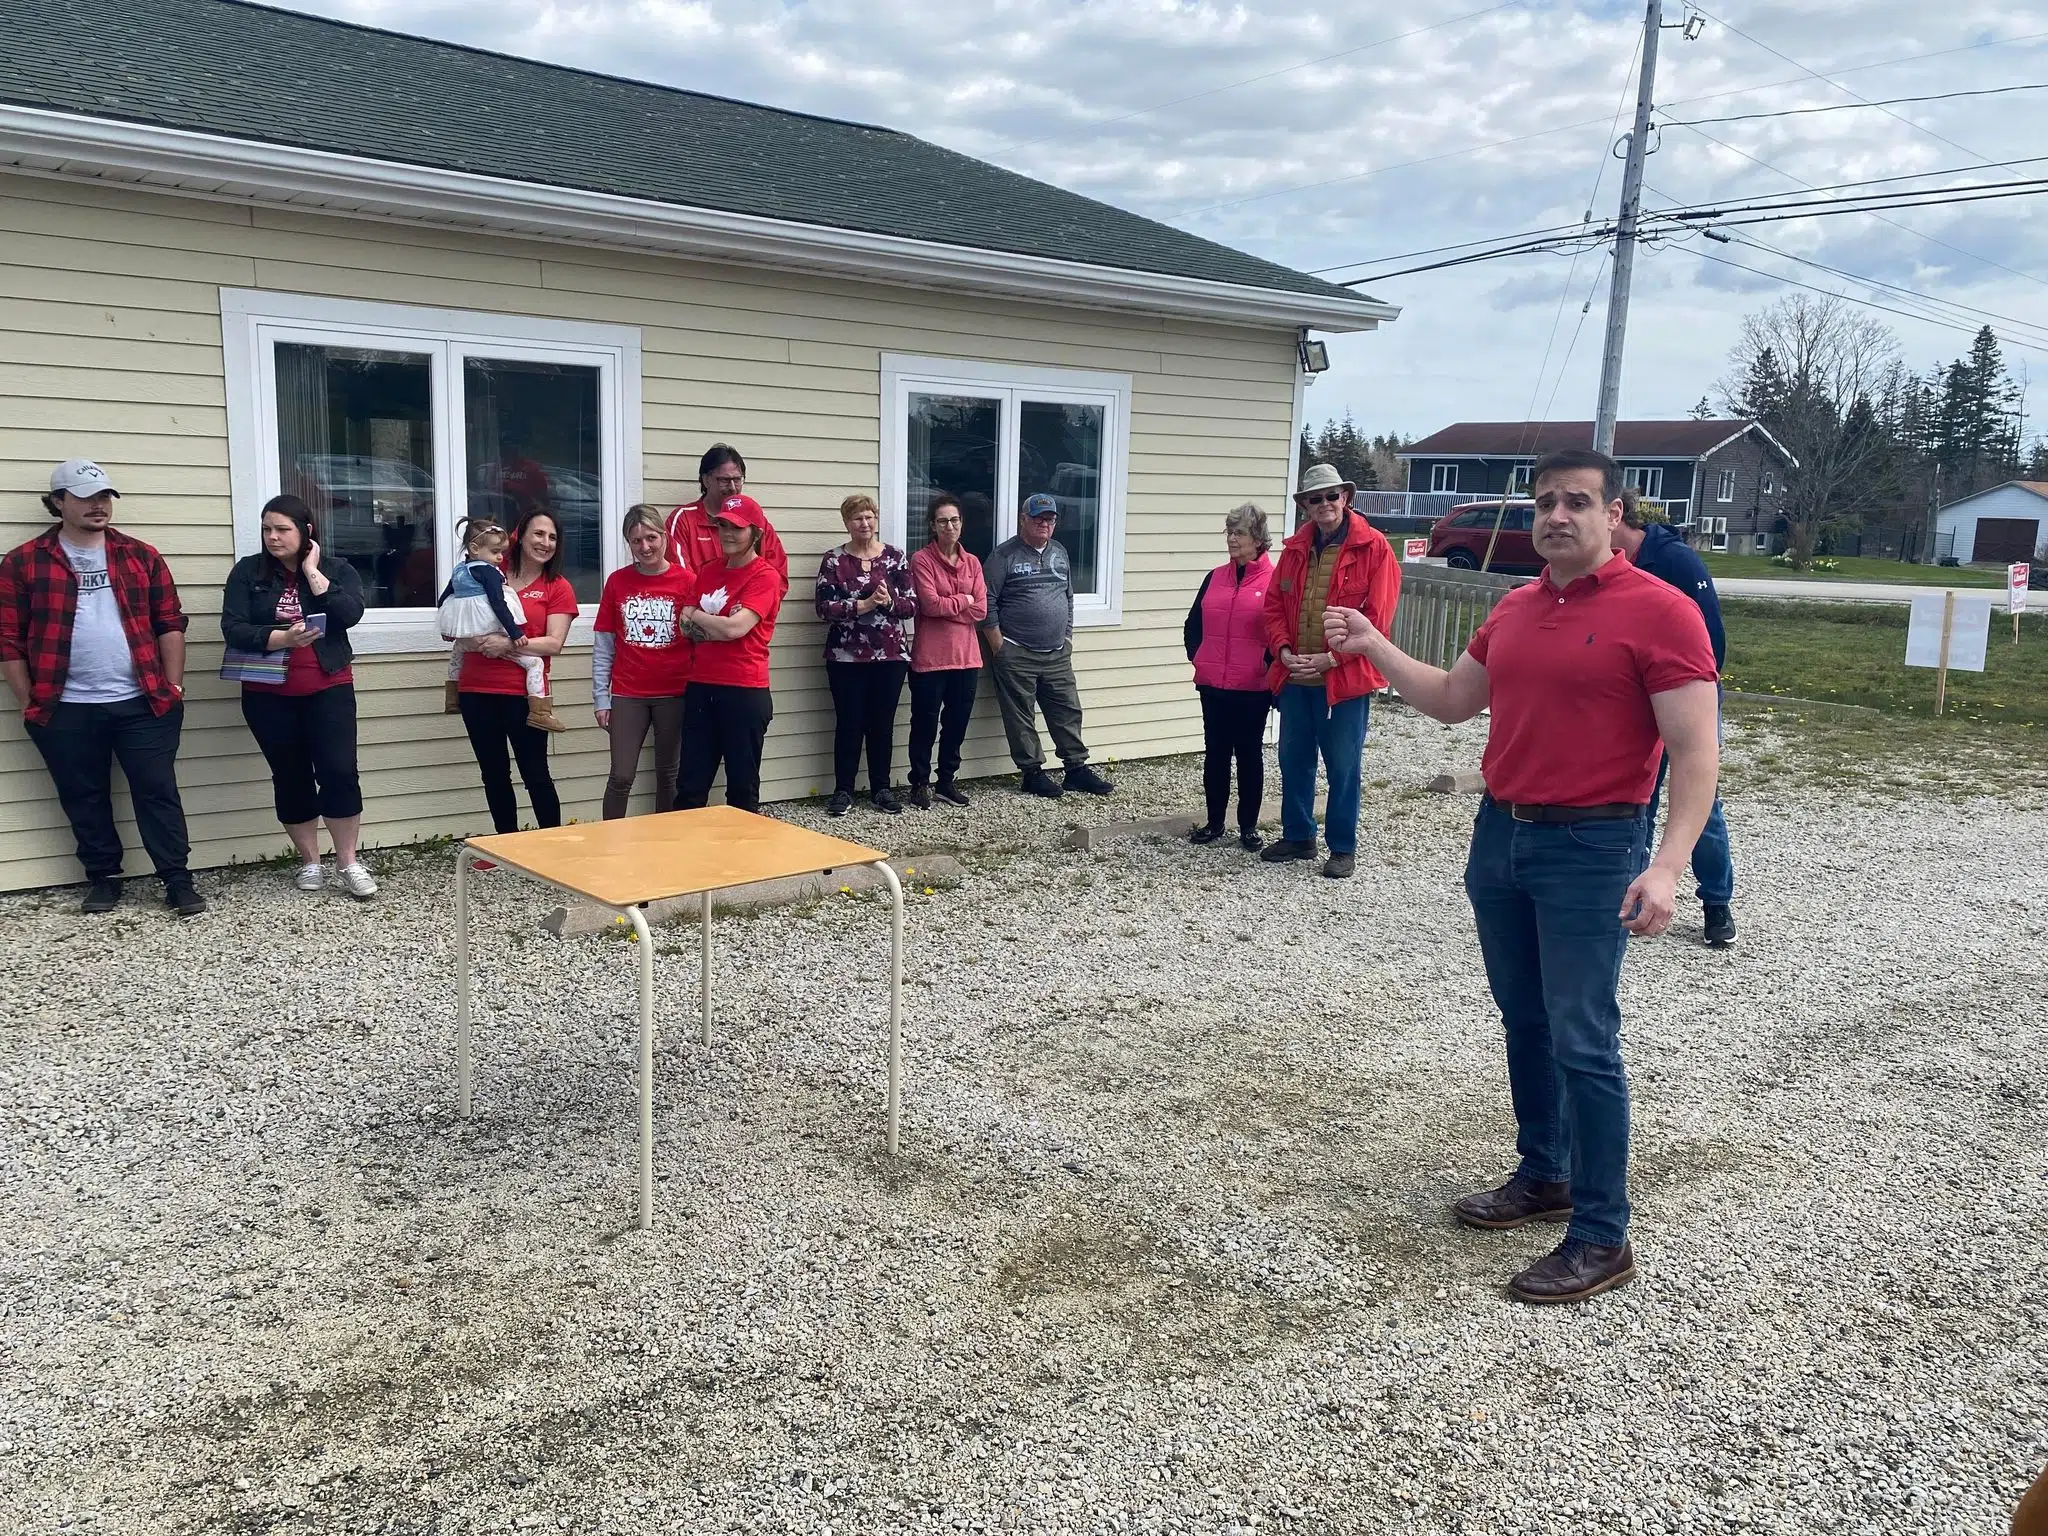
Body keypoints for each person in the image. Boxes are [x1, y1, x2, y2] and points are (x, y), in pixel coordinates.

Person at [1322, 447, 1721, 1305]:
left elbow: (1696, 754)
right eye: (1545, 501)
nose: (1556, 516)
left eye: (1578, 501)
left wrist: (1667, 865)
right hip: (1501, 836)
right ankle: (1546, 1174)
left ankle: (1603, 1235)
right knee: (1525, 1020)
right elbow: (1450, 700)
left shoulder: (1663, 612)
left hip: (1594, 845)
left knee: (1585, 1038)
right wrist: (1372, 642)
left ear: (1616, 515)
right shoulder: (1516, 608)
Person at [0, 460, 202, 915]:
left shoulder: (140, 555)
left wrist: (173, 685)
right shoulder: (23, 562)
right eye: (86, 497)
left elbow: (170, 622)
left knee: (156, 790)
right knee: (82, 793)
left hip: (144, 700)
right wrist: (27, 700)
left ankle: (176, 879)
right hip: (63, 705)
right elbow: (8, 638)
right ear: (58, 502)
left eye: (105, 496)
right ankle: (103, 877)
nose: (99, 506)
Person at [220, 494, 377, 899]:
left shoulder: (336, 569)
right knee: (289, 774)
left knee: (339, 771)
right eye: (267, 529)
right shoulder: (247, 572)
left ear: (306, 531)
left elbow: (350, 614)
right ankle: (310, 861)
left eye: (282, 529)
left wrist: (311, 572)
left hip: (329, 686)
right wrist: (281, 638)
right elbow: (233, 627)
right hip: (267, 692)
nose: (272, 537)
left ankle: (347, 861)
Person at [1258, 463, 1401, 879]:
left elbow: (1378, 621)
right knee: (1293, 760)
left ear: (1347, 498)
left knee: (1343, 766)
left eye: (1331, 496)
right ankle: (1299, 835)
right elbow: (1273, 608)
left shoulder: (1375, 549)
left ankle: (1342, 847)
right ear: (1305, 505)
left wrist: (1332, 659)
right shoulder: (1294, 550)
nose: (1324, 505)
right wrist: (1283, 650)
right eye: (1315, 498)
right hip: (1296, 678)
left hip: (1343, 681)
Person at [1615, 489, 1737, 948]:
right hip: (1630, 701)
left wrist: (1691, 698)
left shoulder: (1675, 561)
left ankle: (1716, 903)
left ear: (1617, 515)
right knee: (1633, 799)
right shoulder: (1598, 569)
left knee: (1698, 804)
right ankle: (1632, 896)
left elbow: (1714, 641)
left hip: (1685, 695)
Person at [979, 493, 1112, 799]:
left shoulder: (1060, 552)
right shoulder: (1003, 556)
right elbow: (986, 601)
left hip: (1056, 652)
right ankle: (1032, 773)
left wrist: (1066, 635)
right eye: (1037, 518)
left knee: (1067, 710)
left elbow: (1068, 596)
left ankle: (1076, 769)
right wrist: (999, 645)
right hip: (1016, 652)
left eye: (1049, 519)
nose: (1043, 524)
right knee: (1020, 715)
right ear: (1022, 519)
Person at [457, 507, 580, 835]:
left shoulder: (558, 586)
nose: (546, 542)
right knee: (493, 773)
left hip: (524, 695)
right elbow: (455, 617)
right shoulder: (485, 571)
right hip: (475, 689)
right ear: (520, 536)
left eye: (553, 537)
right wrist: (474, 638)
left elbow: (554, 643)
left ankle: (551, 846)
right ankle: (506, 845)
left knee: (535, 773)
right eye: (538, 534)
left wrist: (506, 645)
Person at [675, 494, 783, 813]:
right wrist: (716, 623)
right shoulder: (708, 571)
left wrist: (701, 619)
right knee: (690, 786)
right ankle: (688, 857)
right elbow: (684, 624)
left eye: (736, 528)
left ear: (755, 533)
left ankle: (744, 861)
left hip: (744, 690)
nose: (727, 534)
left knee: (741, 787)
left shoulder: (764, 576)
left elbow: (736, 629)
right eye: (722, 526)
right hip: (701, 686)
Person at [815, 493, 916, 816]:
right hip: (846, 657)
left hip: (889, 657)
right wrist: (863, 605)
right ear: (847, 523)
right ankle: (843, 790)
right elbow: (823, 607)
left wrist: (887, 602)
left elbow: (911, 606)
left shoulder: (895, 558)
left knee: (881, 724)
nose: (865, 523)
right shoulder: (834, 560)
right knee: (849, 723)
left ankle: (881, 788)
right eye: (857, 518)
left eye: (869, 516)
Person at [1183, 503, 1276, 851]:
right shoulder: (1214, 577)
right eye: (1230, 532)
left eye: (1239, 533)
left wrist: (1266, 665)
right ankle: (1215, 822)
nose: (1232, 540)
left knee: (1249, 754)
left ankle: (1249, 827)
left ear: (1257, 539)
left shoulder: (1273, 580)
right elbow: (1193, 626)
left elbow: (1279, 633)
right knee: (1216, 754)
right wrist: (1199, 658)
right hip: (1214, 685)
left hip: (1253, 687)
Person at [592, 504, 693, 818]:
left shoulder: (687, 580)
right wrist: (600, 697)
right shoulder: (618, 582)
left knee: (669, 776)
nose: (645, 547)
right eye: (636, 541)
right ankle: (610, 845)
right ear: (628, 542)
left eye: (651, 537)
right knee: (621, 776)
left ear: (663, 536)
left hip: (675, 692)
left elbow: (698, 639)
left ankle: (666, 848)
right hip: (628, 694)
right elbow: (604, 644)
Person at [437, 518, 564, 733]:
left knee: (457, 652)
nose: (499, 557)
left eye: (552, 537)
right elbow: (499, 604)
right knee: (534, 664)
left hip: (507, 684)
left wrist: (449, 626)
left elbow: (444, 599)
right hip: (479, 682)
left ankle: (452, 696)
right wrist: (514, 634)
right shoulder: (491, 572)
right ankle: (540, 711)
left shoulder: (461, 570)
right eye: (538, 534)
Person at [907, 493, 987, 808]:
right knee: (924, 724)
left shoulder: (973, 562)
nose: (949, 526)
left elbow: (980, 609)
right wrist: (964, 599)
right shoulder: (921, 560)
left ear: (961, 524)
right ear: (933, 525)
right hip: (930, 659)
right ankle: (919, 783)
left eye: (954, 520)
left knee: (956, 724)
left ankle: (946, 781)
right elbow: (929, 604)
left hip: (967, 659)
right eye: (942, 521)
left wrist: (956, 604)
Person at [665, 443, 790, 592]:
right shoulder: (683, 520)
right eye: (724, 480)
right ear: (706, 480)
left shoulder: (755, 519)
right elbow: (679, 577)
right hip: (699, 612)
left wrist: (752, 608)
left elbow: (778, 575)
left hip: (748, 611)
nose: (732, 487)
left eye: (737, 480)